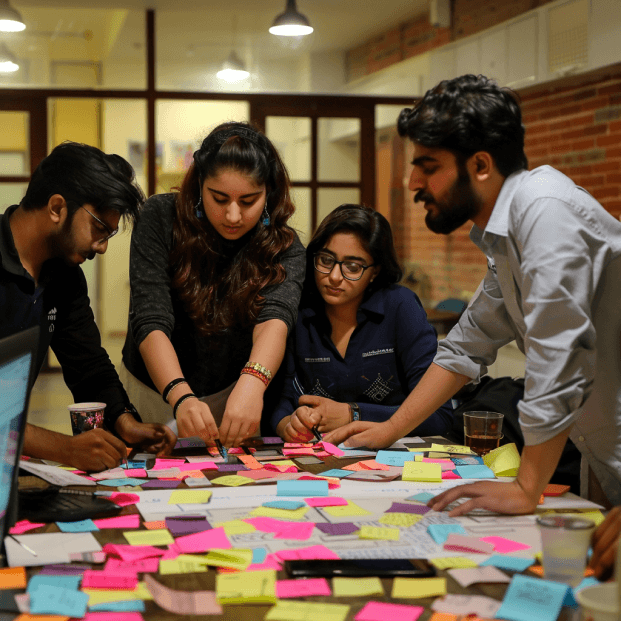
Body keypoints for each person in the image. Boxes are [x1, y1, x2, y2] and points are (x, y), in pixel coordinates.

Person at [324, 74, 621, 516]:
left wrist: (526, 488)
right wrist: (391, 429)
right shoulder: (506, 232)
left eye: (428, 166)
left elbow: (560, 359)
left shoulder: (544, 211)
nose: (412, 184)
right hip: (597, 451)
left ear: (480, 165)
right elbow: (467, 344)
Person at [120, 121, 305, 448]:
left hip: (235, 394)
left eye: (249, 201)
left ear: (269, 193)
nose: (233, 215)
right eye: (219, 198)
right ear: (199, 185)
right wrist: (180, 396)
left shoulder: (283, 245)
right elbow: (150, 318)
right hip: (153, 390)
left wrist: (252, 384)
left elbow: (275, 321)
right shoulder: (160, 217)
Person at [0, 141, 177, 472]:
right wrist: (64, 449)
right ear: (57, 207)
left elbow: (88, 364)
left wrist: (124, 421)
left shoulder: (64, 277)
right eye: (99, 229)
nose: (103, 247)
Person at [271, 204, 453, 442]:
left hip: (395, 459)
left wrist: (353, 414)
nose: (335, 276)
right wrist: (288, 425)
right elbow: (277, 400)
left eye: (353, 267)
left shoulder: (400, 306)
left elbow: (440, 414)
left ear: (375, 272)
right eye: (326, 260)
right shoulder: (299, 310)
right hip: (321, 459)